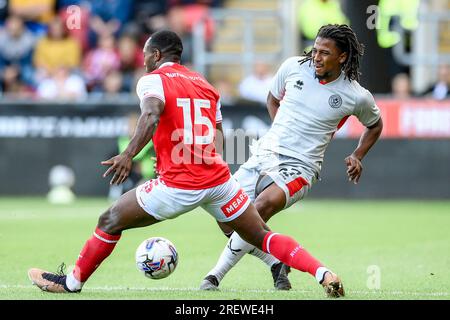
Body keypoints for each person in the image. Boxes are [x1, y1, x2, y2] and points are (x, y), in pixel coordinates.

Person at [27, 30, 345, 298]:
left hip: (179, 184)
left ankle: (71, 284)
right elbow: (217, 133)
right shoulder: (206, 85)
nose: (143, 59)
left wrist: (129, 155)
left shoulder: (152, 80)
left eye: (145, 54)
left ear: (155, 54)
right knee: (259, 234)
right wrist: (204, 160)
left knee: (109, 219)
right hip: (218, 180)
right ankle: (322, 273)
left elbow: (151, 114)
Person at [199, 24, 383, 292]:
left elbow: (375, 125)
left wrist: (358, 154)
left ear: (342, 57)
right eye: (315, 50)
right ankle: (276, 261)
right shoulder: (293, 67)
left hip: (300, 167)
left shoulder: (355, 95)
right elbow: (272, 99)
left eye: (325, 53)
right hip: (264, 154)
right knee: (225, 214)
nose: (317, 57)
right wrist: (280, 133)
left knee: (259, 208)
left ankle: (213, 277)